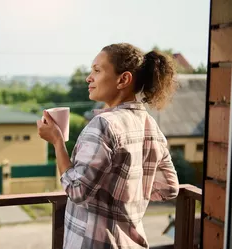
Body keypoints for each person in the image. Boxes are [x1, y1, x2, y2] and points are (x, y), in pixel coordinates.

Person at [37, 43, 180, 249]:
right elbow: (169, 188)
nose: (89, 78)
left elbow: (77, 191)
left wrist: (57, 142)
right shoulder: (151, 126)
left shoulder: (103, 124)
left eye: (97, 70)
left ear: (123, 79)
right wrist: (123, 196)